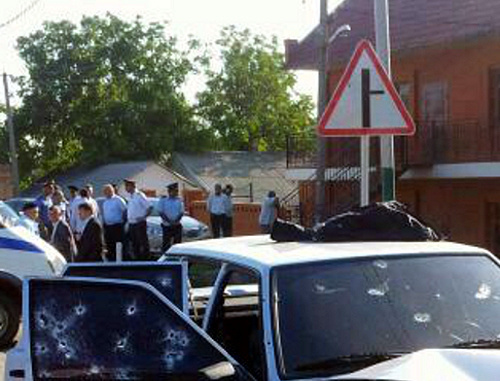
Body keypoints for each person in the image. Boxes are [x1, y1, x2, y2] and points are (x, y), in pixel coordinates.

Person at [124, 179, 152, 260]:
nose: (126, 188)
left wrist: (143, 217)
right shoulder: (130, 196)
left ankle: (145, 260)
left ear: (132, 186)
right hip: (131, 224)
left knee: (142, 243)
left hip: (139, 223)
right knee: (134, 243)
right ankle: (138, 260)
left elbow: (149, 207)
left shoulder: (139, 195)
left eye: (127, 186)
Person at [102, 184, 127, 261]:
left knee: (119, 246)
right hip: (108, 227)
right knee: (110, 245)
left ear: (111, 191)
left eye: (107, 191)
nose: (105, 193)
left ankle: (120, 261)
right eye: (104, 192)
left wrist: (122, 223)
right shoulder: (105, 202)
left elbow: (125, 211)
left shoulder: (118, 200)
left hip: (117, 226)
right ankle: (111, 261)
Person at [157, 182, 184, 252]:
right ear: (169, 191)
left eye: (177, 191)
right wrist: (169, 222)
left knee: (177, 244)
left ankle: (177, 259)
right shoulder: (163, 200)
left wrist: (175, 221)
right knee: (166, 244)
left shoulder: (179, 200)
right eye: (175, 191)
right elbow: (161, 212)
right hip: (166, 226)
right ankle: (165, 261)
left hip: (177, 225)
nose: (176, 192)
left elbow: (181, 213)